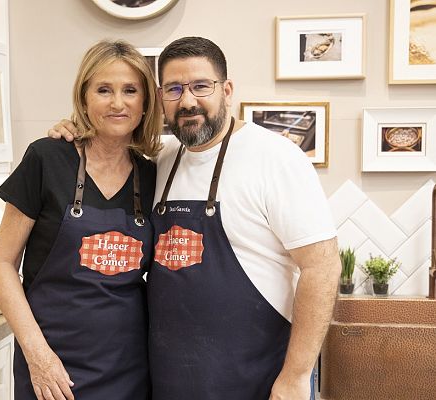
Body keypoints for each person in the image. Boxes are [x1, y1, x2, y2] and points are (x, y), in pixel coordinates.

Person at [49, 36, 341, 400]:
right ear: (160, 98)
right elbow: (106, 146)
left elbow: (322, 267)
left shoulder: (275, 157)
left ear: (227, 89)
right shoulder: (161, 159)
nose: (187, 101)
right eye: (174, 89)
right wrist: (74, 131)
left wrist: (297, 377)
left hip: (259, 382)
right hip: (173, 383)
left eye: (201, 86)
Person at [0, 39, 162, 400]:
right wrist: (37, 354)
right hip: (51, 363)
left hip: (128, 366)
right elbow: (1, 264)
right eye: (103, 90)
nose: (117, 103)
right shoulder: (47, 158)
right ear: (84, 98)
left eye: (130, 90)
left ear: (145, 103)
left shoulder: (153, 175)